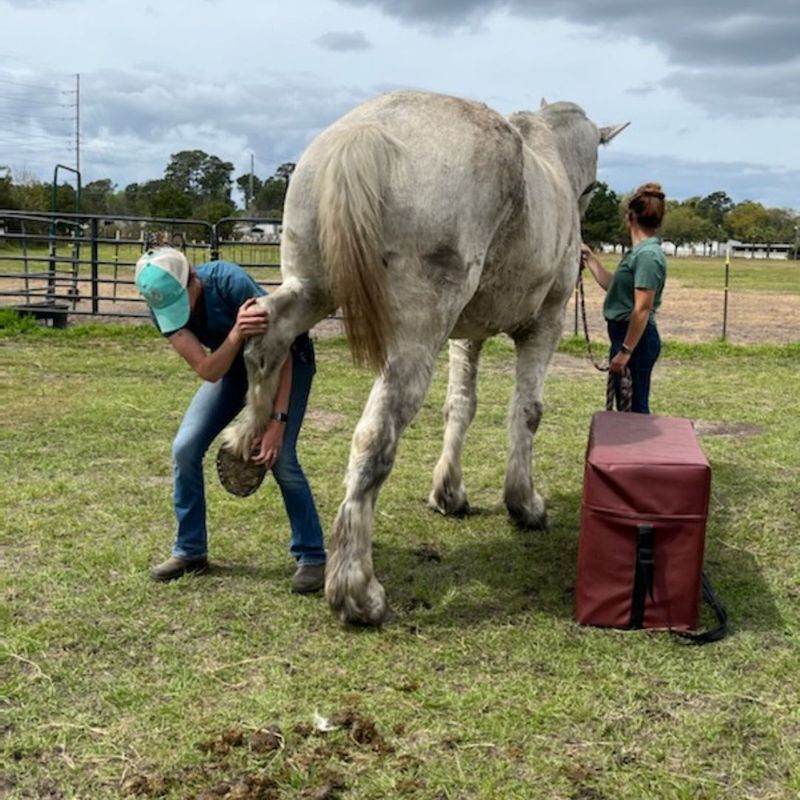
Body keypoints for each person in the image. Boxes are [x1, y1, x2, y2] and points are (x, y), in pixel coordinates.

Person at [134, 246, 326, 592]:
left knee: (281, 459)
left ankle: (312, 555)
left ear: (193, 278)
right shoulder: (161, 304)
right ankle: (190, 549)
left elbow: (283, 345)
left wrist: (276, 423)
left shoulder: (228, 283)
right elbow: (208, 369)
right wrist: (236, 333)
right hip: (233, 366)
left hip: (284, 363)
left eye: (185, 301)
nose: (182, 314)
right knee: (185, 448)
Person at [580, 182, 667, 414]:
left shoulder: (647, 256)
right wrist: (589, 258)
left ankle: (639, 451)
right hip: (625, 336)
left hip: (634, 339)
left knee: (635, 411)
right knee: (626, 409)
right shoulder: (638, 253)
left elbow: (642, 308)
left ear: (630, 217)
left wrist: (626, 351)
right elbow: (614, 286)